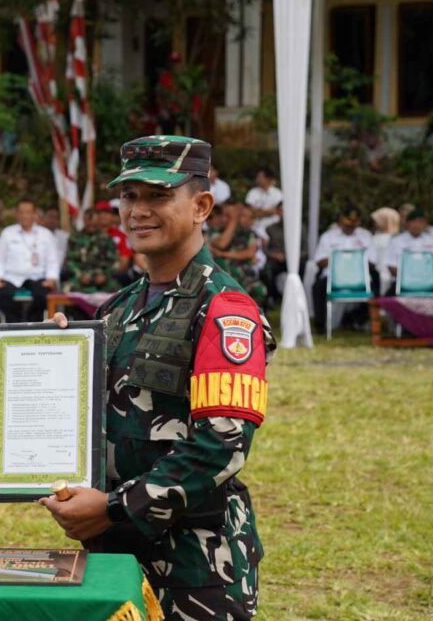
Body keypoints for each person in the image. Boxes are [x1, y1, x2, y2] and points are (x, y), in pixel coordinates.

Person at [38, 135, 271, 619]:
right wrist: (46, 360)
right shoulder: (116, 309)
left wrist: (114, 507)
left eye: (158, 195)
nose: (138, 210)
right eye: (129, 196)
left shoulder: (225, 310)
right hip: (112, 553)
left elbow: (220, 445)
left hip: (195, 564)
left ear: (201, 206)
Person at [0, 199, 60, 322]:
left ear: (34, 214)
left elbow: (53, 261)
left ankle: (34, 325)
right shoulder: (8, 233)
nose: (24, 216)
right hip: (11, 279)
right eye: (21, 212)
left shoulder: (45, 234)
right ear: (17, 214)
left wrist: (51, 278)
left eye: (28, 212)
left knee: (43, 295)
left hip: (37, 278)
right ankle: (14, 326)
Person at [312, 206, 378, 331]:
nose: (350, 227)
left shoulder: (366, 236)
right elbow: (320, 261)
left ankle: (355, 319)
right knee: (318, 287)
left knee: (377, 286)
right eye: (347, 223)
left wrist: (354, 262)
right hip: (333, 277)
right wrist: (340, 261)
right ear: (340, 220)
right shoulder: (328, 236)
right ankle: (320, 325)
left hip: (359, 278)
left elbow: (373, 263)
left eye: (354, 223)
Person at [210, 203, 268, 307]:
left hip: (244, 275)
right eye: (227, 215)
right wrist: (233, 221)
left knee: (260, 290)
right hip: (224, 278)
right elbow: (222, 244)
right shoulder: (216, 231)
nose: (226, 219)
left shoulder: (248, 233)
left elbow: (249, 253)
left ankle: (255, 317)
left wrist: (224, 254)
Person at [385, 209, 433, 293]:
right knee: (387, 299)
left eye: (420, 222)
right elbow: (392, 266)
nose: (417, 225)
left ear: (425, 224)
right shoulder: (396, 241)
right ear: (407, 224)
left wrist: (425, 280)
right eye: (413, 222)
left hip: (430, 281)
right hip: (403, 282)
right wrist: (408, 279)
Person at [64, 208, 120, 293]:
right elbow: (70, 261)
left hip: (103, 280)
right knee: (67, 289)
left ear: (98, 221)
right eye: (88, 222)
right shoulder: (74, 238)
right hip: (80, 279)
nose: (91, 225)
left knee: (118, 292)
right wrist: (80, 275)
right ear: (84, 220)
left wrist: (105, 275)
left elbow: (115, 262)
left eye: (94, 223)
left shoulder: (106, 238)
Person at [244, 167, 283, 234]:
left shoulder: (278, 194)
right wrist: (270, 211)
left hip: (273, 225)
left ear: (268, 179)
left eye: (260, 177)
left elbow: (280, 212)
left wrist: (259, 212)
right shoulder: (253, 192)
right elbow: (250, 212)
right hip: (255, 225)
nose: (257, 179)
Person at [40, 206, 71, 272]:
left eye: (56, 218)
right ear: (44, 219)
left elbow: (67, 256)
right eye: (50, 217)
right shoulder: (37, 235)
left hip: (60, 273)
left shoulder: (65, 236)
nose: (53, 220)